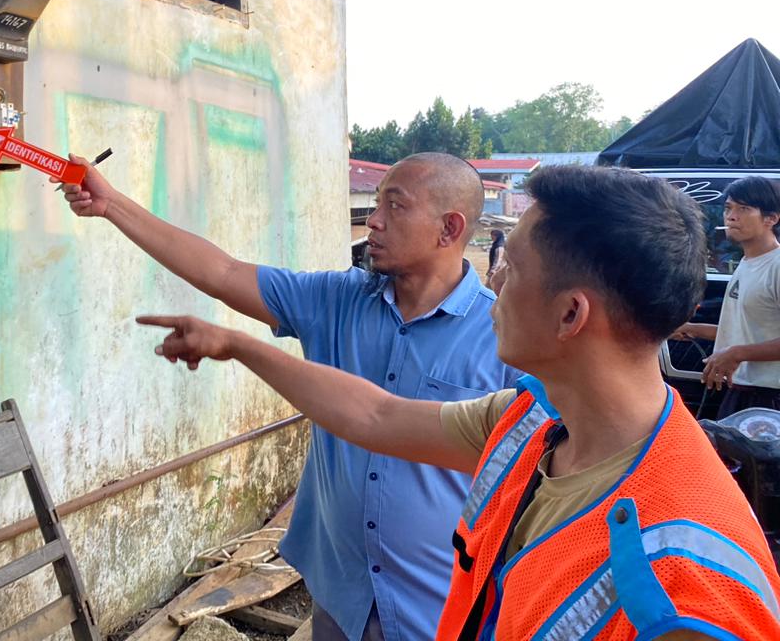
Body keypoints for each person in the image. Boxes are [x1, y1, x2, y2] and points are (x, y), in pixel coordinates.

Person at [140, 165, 780, 641]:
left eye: (512, 270)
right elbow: (376, 415)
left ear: (570, 314)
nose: (492, 284)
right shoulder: (531, 422)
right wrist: (238, 346)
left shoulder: (688, 580)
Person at [62, 152, 518, 641]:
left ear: (449, 229)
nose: (374, 220)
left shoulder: (504, 340)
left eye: (395, 206)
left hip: (441, 609)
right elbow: (222, 272)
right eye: (376, 203)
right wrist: (112, 205)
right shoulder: (336, 300)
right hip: (340, 593)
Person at [677, 176, 780, 415]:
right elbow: (747, 332)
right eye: (728, 208)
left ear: (771, 219)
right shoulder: (747, 262)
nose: (731, 216)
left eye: (744, 209)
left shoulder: (776, 266)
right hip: (740, 392)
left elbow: (741, 347)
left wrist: (736, 354)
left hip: (769, 400)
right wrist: (694, 328)